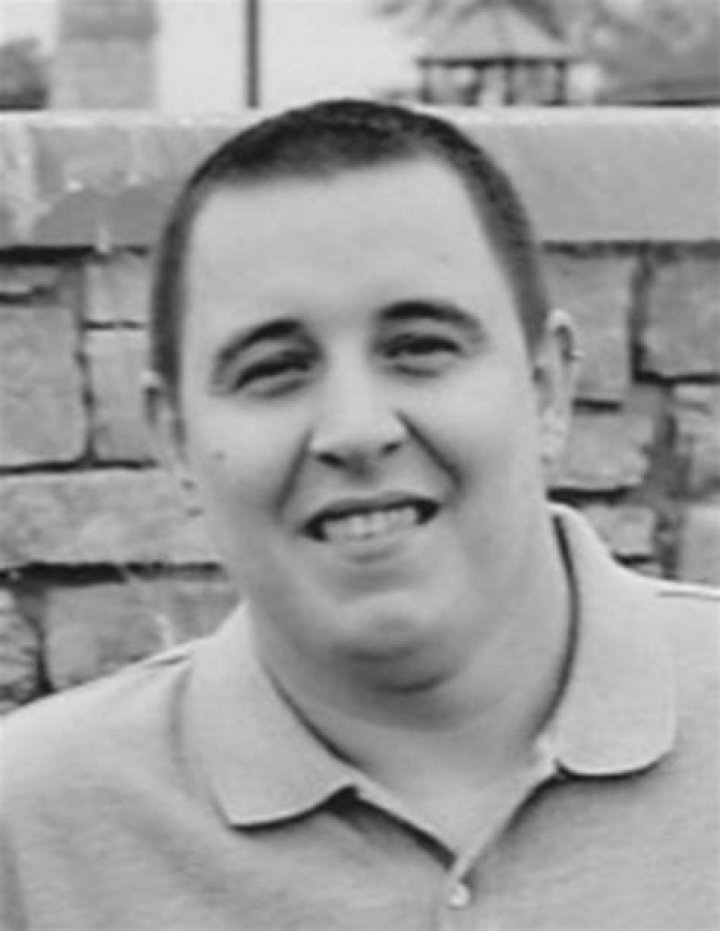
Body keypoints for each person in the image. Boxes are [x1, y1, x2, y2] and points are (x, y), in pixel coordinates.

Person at [1, 98, 718, 931]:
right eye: (274, 367)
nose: (356, 429)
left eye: (420, 347)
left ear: (547, 387)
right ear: (176, 437)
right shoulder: (32, 839)